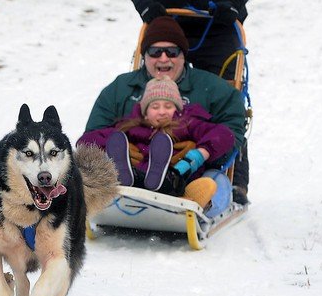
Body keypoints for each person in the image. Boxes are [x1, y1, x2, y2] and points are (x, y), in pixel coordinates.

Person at [83, 15, 249, 204]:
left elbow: (230, 136)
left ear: (183, 55)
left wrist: (200, 153)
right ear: (144, 55)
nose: (163, 58)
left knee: (213, 182)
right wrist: (114, 147)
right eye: (155, 52)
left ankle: (193, 200)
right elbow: (90, 137)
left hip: (186, 172)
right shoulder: (122, 91)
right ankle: (116, 189)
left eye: (171, 51)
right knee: (91, 171)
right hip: (132, 171)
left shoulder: (206, 98)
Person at [78, 76, 235, 210]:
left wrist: (198, 155)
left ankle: (172, 189)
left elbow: (224, 135)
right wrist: (113, 145)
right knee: (122, 172)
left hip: (176, 176)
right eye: (155, 106)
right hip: (135, 181)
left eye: (168, 106)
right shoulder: (131, 128)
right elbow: (85, 142)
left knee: (200, 184)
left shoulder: (187, 124)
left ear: (178, 109)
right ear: (145, 113)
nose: (162, 111)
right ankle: (122, 174)